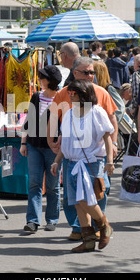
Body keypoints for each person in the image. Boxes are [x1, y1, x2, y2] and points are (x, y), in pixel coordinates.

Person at [47, 57, 118, 241]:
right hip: (72, 161)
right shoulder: (68, 107)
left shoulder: (98, 104)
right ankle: (84, 234)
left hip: (93, 159)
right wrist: (56, 158)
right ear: (75, 72)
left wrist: (111, 157)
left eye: (92, 72)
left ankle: (101, 226)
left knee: (93, 196)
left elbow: (110, 126)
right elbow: (62, 131)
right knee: (76, 201)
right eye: (86, 72)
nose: (90, 76)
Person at [20, 65, 62, 233]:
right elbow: (28, 121)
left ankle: (52, 219)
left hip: (53, 149)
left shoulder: (61, 98)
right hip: (34, 145)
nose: (39, 80)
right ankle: (32, 221)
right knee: (34, 183)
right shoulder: (36, 96)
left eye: (42, 78)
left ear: (50, 81)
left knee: (52, 186)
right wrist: (23, 143)